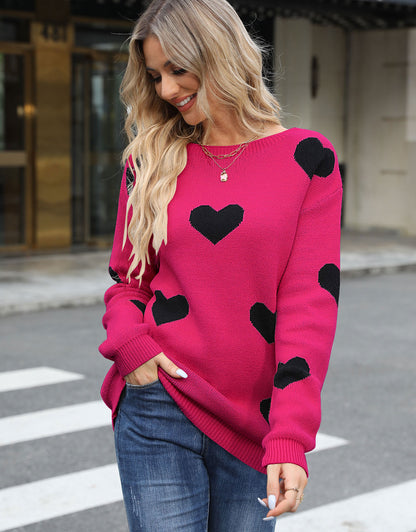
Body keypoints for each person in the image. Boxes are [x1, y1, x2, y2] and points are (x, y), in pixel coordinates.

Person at [99, 0, 342, 530]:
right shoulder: (150, 159)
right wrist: (132, 347)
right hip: (160, 404)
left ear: (219, 54)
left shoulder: (307, 159)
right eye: (155, 76)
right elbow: (127, 282)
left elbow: (310, 304)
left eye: (177, 69)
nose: (166, 89)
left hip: (254, 423)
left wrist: (290, 435)